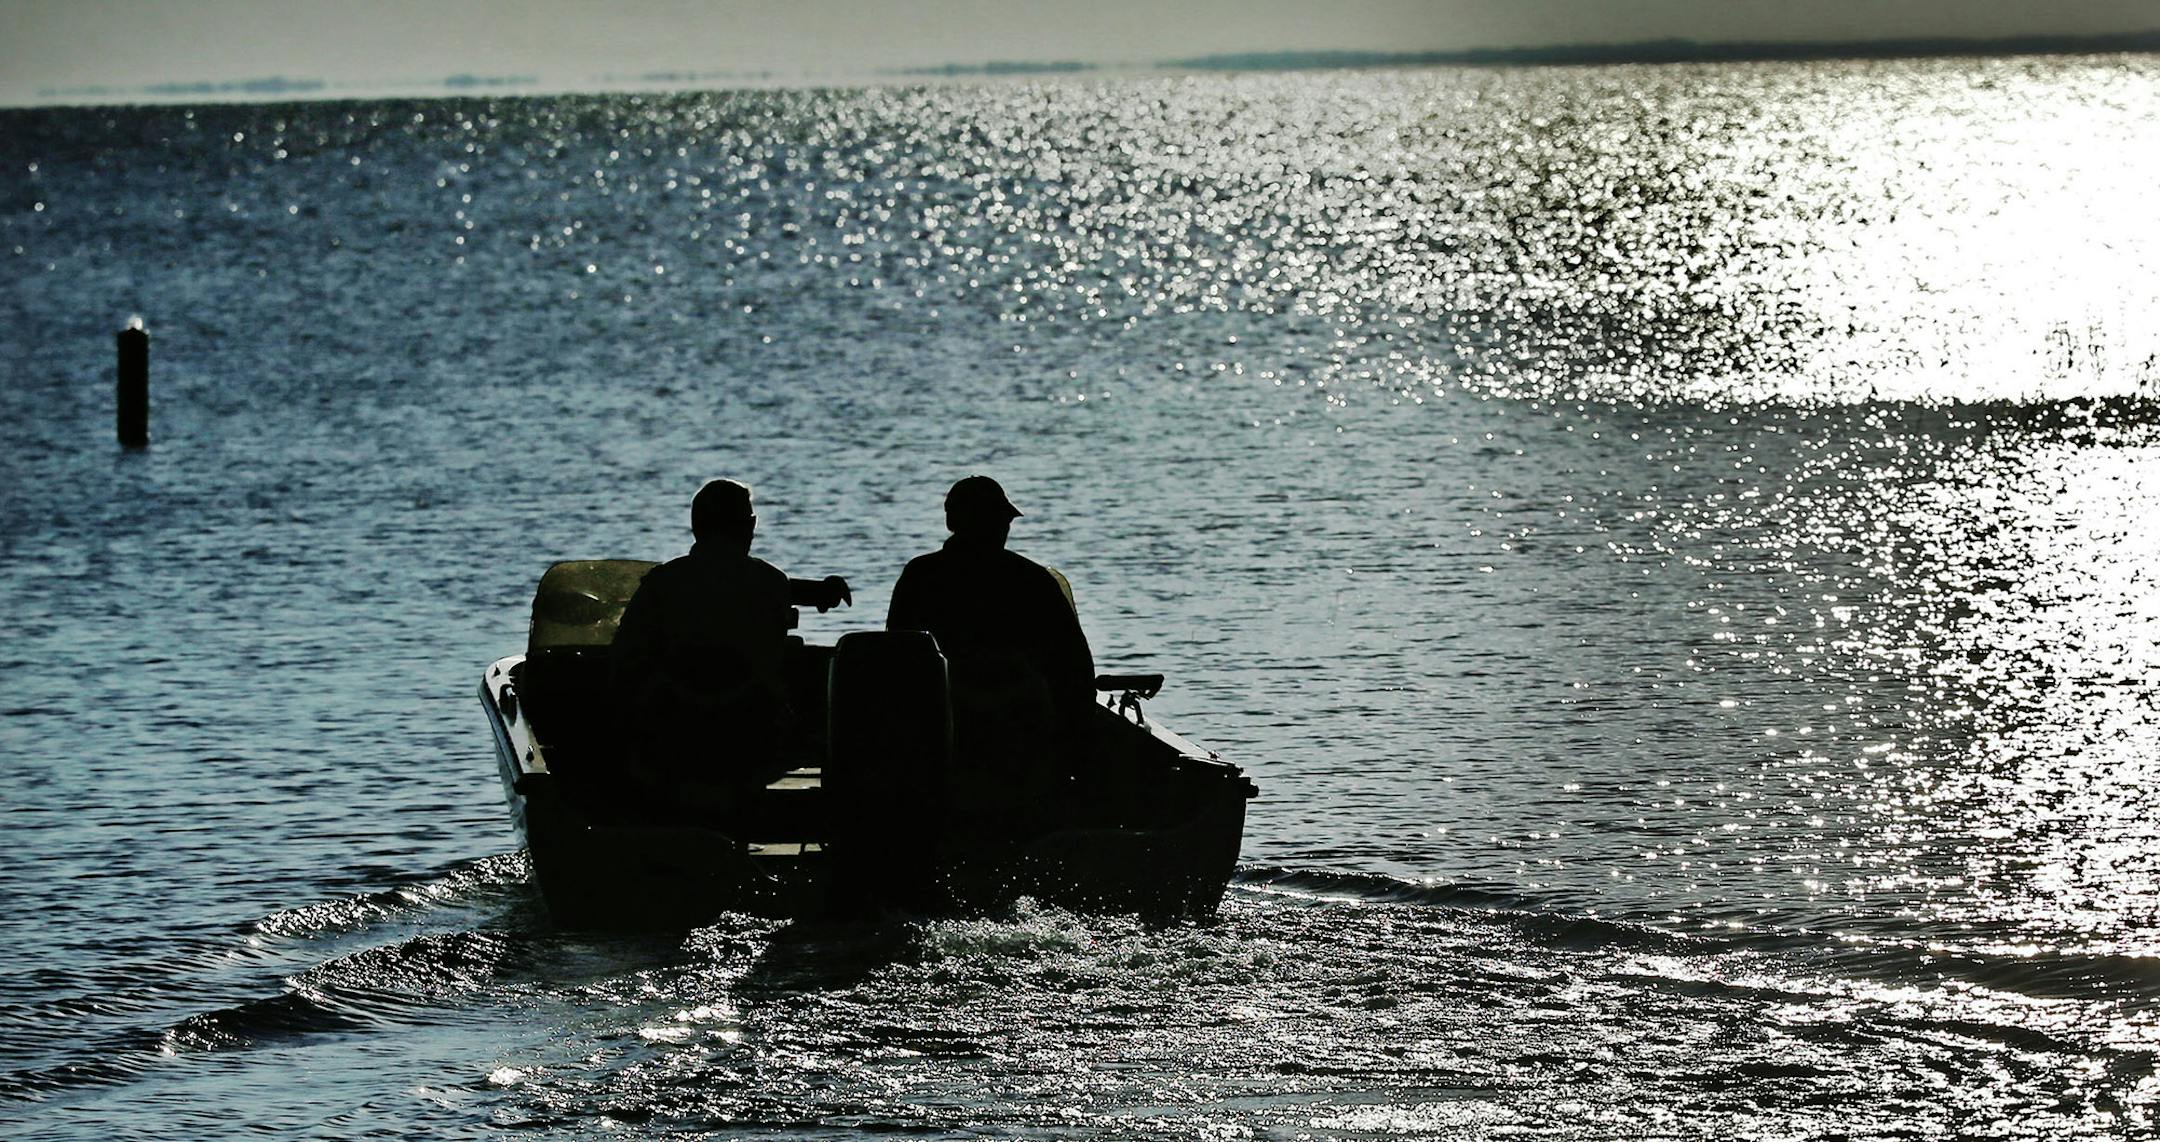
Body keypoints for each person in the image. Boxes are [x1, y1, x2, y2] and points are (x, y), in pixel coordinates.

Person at [612, 479, 850, 812]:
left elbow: (626, 659)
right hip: (752, 732)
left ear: (696, 527)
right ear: (748, 526)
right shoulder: (771, 583)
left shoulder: (661, 585)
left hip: (676, 732)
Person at [887, 476, 1095, 815]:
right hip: (1013, 727)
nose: (1002, 529)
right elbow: (1075, 669)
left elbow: (895, 658)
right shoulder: (1032, 580)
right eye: (997, 520)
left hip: (938, 727)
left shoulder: (919, 576)